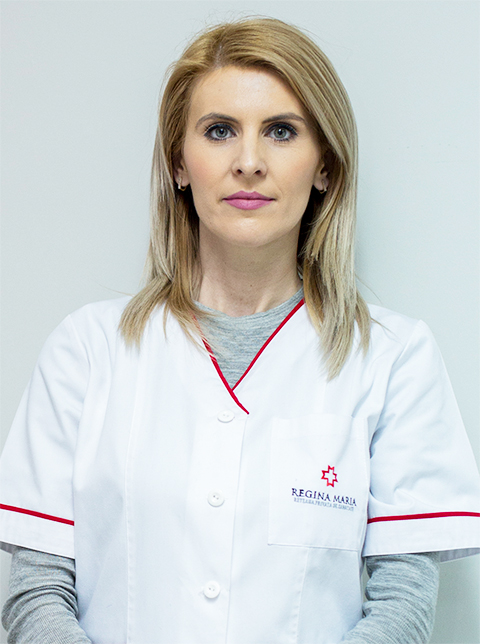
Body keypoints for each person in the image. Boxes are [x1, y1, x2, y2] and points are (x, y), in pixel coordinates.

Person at [1, 17, 479, 644]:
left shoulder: (394, 359)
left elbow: (403, 607)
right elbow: (36, 594)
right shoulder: (86, 351)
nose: (248, 162)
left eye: (281, 131)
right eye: (219, 131)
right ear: (179, 163)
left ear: (325, 166)